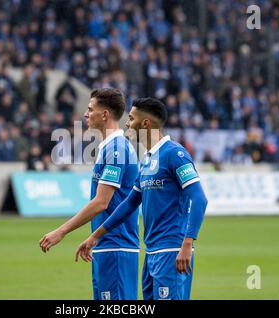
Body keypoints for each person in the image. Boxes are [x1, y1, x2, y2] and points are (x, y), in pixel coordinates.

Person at [76, 98, 208, 300]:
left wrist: (187, 243)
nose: (127, 123)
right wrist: (96, 235)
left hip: (172, 250)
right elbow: (129, 203)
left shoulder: (175, 154)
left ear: (145, 123)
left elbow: (199, 199)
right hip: (152, 253)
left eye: (131, 118)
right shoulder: (148, 159)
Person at [39, 88, 140, 300]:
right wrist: (94, 238)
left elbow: (101, 202)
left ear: (104, 115)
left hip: (116, 247)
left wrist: (62, 231)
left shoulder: (117, 149)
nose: (86, 114)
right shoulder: (108, 147)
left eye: (90, 109)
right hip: (107, 246)